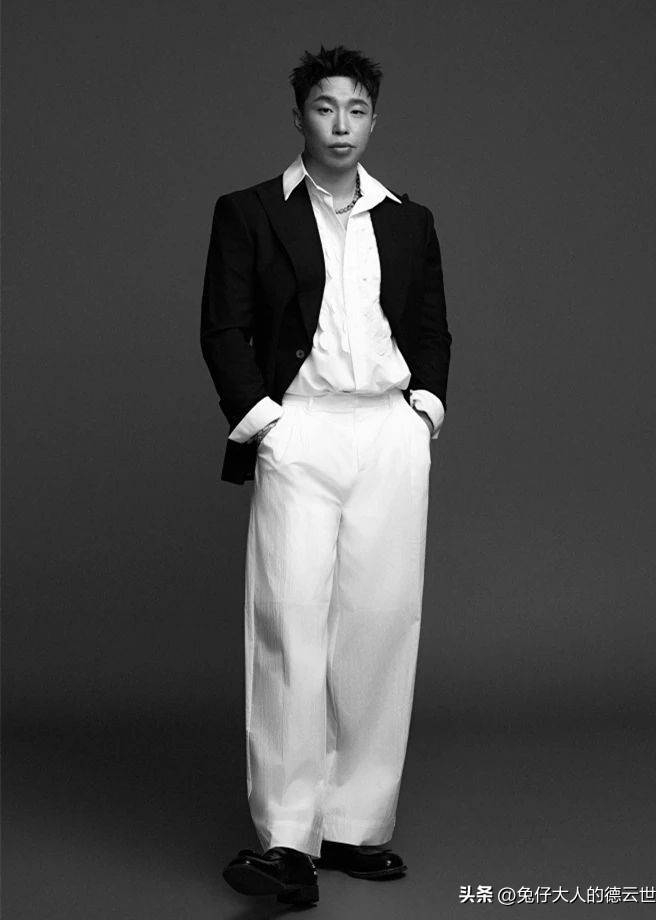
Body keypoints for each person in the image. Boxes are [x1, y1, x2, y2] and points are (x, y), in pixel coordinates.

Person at [200, 44, 451, 906]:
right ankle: (286, 840)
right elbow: (222, 327)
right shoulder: (248, 212)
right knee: (290, 623)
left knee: (380, 624)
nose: (340, 125)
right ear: (299, 116)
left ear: (373, 120)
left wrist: (424, 412)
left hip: (387, 433)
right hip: (299, 428)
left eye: (356, 110)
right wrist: (265, 424)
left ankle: (354, 826)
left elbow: (431, 328)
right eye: (324, 107)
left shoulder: (411, 220)